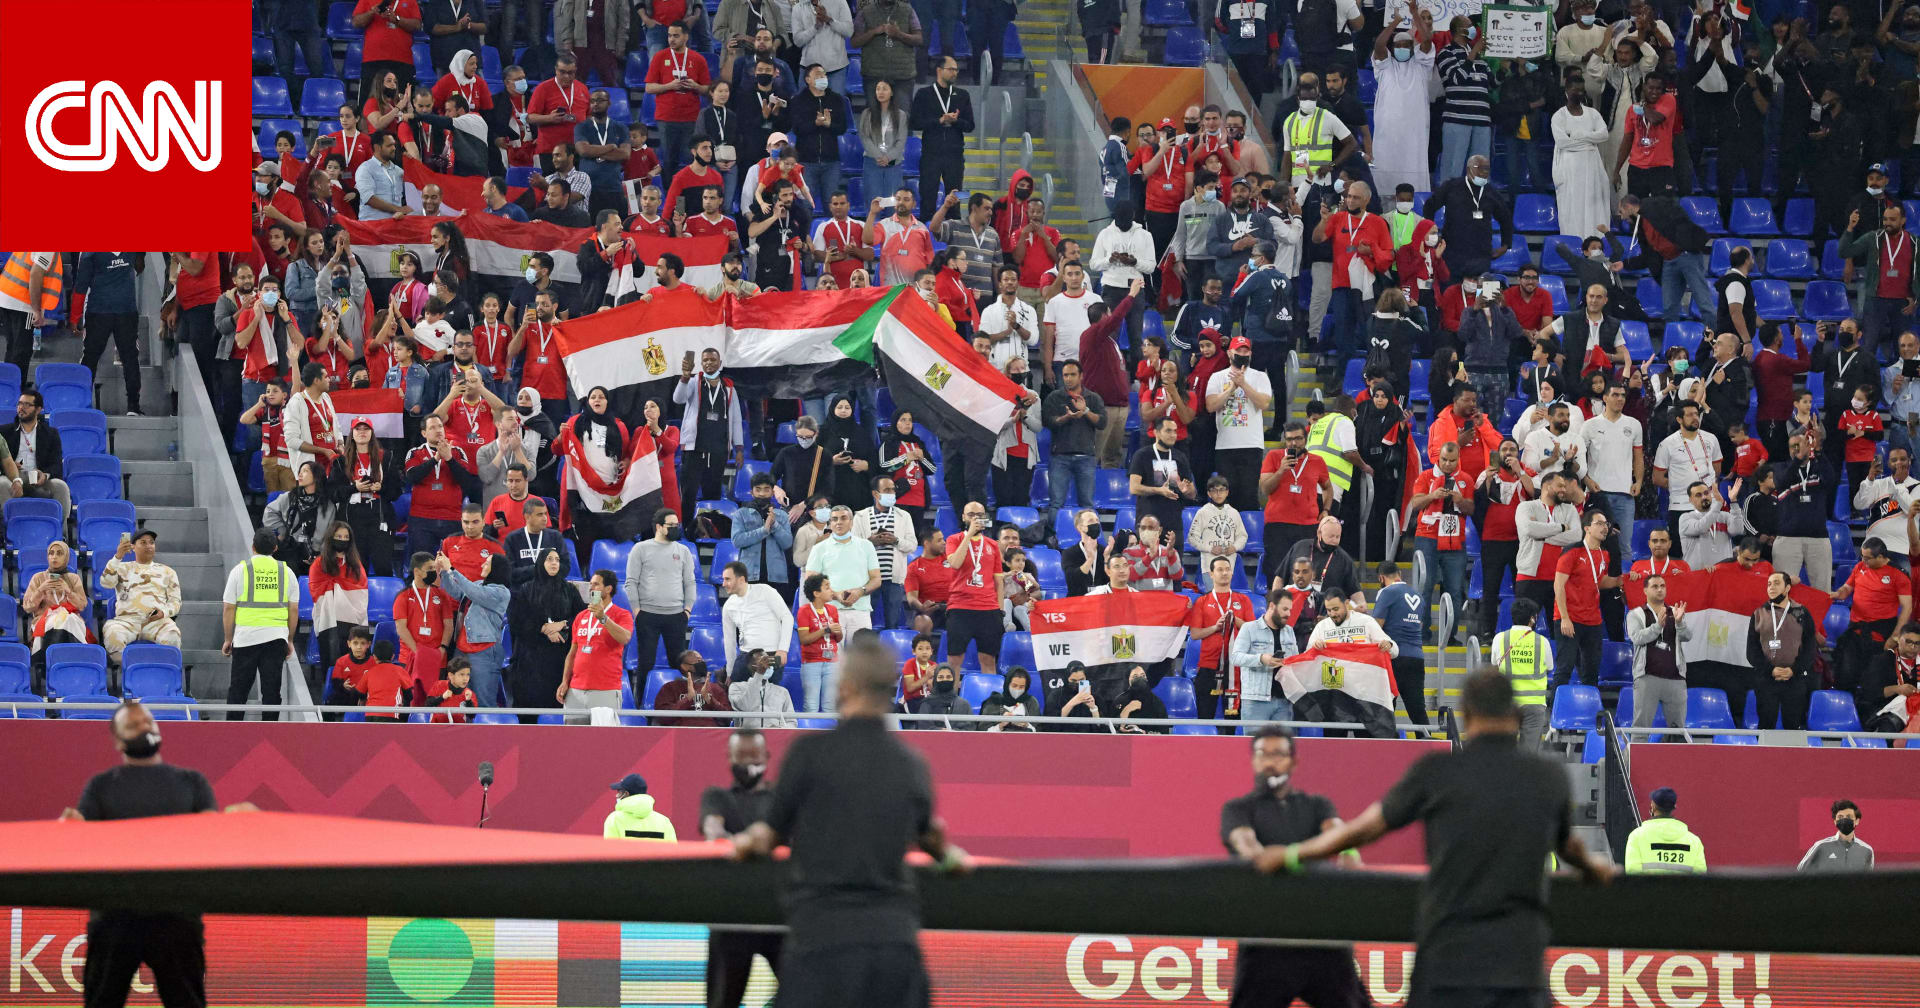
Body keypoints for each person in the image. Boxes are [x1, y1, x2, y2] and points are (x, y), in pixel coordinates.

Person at [1257, 669, 1614, 1006]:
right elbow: (1568, 846)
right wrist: (1594, 868)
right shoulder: (1548, 776)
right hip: (1520, 969)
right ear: (1517, 715)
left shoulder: (1436, 771)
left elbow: (1364, 829)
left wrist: (1291, 855)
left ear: (1466, 715)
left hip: (1446, 964)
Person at [729, 634, 967, 1007]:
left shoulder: (808, 754)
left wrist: (742, 843)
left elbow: (769, 837)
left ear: (846, 687)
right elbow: (933, 839)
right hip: (895, 948)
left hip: (822, 945)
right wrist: (954, 859)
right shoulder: (911, 764)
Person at [60, 701, 250, 1008]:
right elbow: (78, 840)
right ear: (118, 740)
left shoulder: (192, 782)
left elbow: (210, 837)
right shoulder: (100, 786)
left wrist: (239, 824)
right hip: (114, 917)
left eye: (148, 721)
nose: (145, 727)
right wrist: (67, 828)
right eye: (134, 725)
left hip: (177, 915)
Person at [1221, 726, 1369, 1006]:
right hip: (1266, 939)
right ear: (1253, 760)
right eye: (1262, 754)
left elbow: (1339, 834)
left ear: (1293, 761)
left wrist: (1349, 852)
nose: (1270, 761)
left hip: (1322, 937)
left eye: (1278, 754)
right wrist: (1277, 857)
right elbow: (1248, 846)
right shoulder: (1238, 809)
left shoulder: (1317, 805)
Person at [699, 729, 784, 1005]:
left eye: (754, 756)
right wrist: (743, 841)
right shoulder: (717, 797)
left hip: (779, 917)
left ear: (766, 757)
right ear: (729, 758)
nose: (747, 763)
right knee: (723, 1001)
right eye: (741, 756)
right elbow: (713, 829)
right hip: (731, 918)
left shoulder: (781, 801)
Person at [221, 530, 300, 721]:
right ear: (275, 548)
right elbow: (293, 610)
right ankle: (270, 732)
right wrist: (289, 640)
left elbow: (229, 608)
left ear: (253, 547)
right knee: (271, 691)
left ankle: (231, 732)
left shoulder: (240, 570)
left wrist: (228, 639)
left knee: (238, 691)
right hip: (276, 639)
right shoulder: (287, 572)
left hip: (245, 638)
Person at [625, 508, 699, 700]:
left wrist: (687, 610)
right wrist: (637, 610)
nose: (676, 528)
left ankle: (682, 703)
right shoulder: (640, 549)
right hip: (647, 615)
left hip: (676, 616)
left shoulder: (683, 551)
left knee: (680, 665)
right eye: (671, 525)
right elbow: (631, 582)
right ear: (658, 526)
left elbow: (690, 582)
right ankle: (640, 704)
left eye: (677, 525)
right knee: (645, 663)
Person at [506, 547, 582, 723]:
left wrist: (562, 624)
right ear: (540, 563)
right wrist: (543, 629)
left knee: (557, 708)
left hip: (560, 657)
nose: (554, 563)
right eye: (549, 559)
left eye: (557, 560)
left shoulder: (569, 590)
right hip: (531, 658)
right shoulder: (526, 589)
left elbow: (581, 617)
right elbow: (517, 620)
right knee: (529, 704)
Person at [558, 570, 635, 724]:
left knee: (603, 738)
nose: (591, 587)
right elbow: (572, 653)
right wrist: (565, 681)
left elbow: (625, 638)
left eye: (596, 584)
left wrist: (603, 618)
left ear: (608, 589)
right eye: (590, 584)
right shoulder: (581, 616)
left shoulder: (622, 614)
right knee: (572, 737)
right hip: (576, 690)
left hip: (605, 689)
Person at [98, 531, 183, 670]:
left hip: (156, 621)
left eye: (151, 542)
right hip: (126, 621)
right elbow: (106, 583)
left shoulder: (168, 572)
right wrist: (118, 557)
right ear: (133, 546)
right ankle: (132, 671)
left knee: (172, 635)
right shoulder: (122, 568)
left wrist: (163, 612)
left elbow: (176, 601)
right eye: (143, 542)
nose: (148, 546)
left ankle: (161, 672)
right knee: (113, 634)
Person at [1747, 570, 1818, 730]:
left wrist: (1794, 670)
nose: (1771, 587)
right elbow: (1752, 651)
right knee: (1765, 726)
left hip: (1795, 680)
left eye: (1777, 583)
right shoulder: (1759, 614)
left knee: (1793, 727)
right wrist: (1770, 670)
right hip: (1766, 680)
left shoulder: (1802, 612)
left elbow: (1810, 648)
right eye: (1769, 584)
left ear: (1787, 588)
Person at [1627, 573, 1691, 739]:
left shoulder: (1675, 612)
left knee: (1678, 732)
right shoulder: (1636, 614)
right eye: (1655, 586)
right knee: (1641, 729)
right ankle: (1637, 757)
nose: (1660, 589)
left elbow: (1687, 636)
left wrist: (1679, 623)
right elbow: (1637, 638)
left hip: (1675, 678)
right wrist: (1657, 627)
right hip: (1647, 677)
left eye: (1662, 586)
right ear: (1645, 590)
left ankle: (1675, 757)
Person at [2, 390, 70, 520]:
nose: (21, 407)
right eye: (19, 403)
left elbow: (56, 464)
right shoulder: (5, 431)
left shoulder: (51, 434)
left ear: (38, 409)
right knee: (1, 483)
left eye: (27, 404)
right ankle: (6, 529)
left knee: (61, 486)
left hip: (38, 477)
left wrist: (45, 475)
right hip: (12, 476)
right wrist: (8, 465)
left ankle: (60, 530)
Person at [721, 561, 794, 681]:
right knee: (736, 691)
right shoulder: (728, 606)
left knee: (768, 693)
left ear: (741, 579)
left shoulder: (765, 591)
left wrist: (783, 650)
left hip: (771, 654)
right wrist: (729, 672)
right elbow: (729, 641)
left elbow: (787, 617)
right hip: (745, 656)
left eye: (727, 579)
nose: (723, 584)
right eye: (723, 579)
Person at [1623, 787, 1707, 873]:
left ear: (1653, 806)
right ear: (1674, 806)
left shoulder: (1636, 837)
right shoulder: (1694, 841)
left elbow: (1633, 871)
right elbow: (1700, 874)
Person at [1796, 799, 1875, 871]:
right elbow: (1800, 871)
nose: (1844, 820)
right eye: (1840, 817)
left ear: (1857, 821)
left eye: (1849, 816)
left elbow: (1868, 879)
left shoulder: (1867, 850)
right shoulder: (1821, 846)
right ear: (1835, 821)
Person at [604, 773, 679, 841]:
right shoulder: (664, 822)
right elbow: (673, 850)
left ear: (626, 794)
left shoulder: (614, 819)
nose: (617, 795)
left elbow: (610, 849)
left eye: (619, 792)